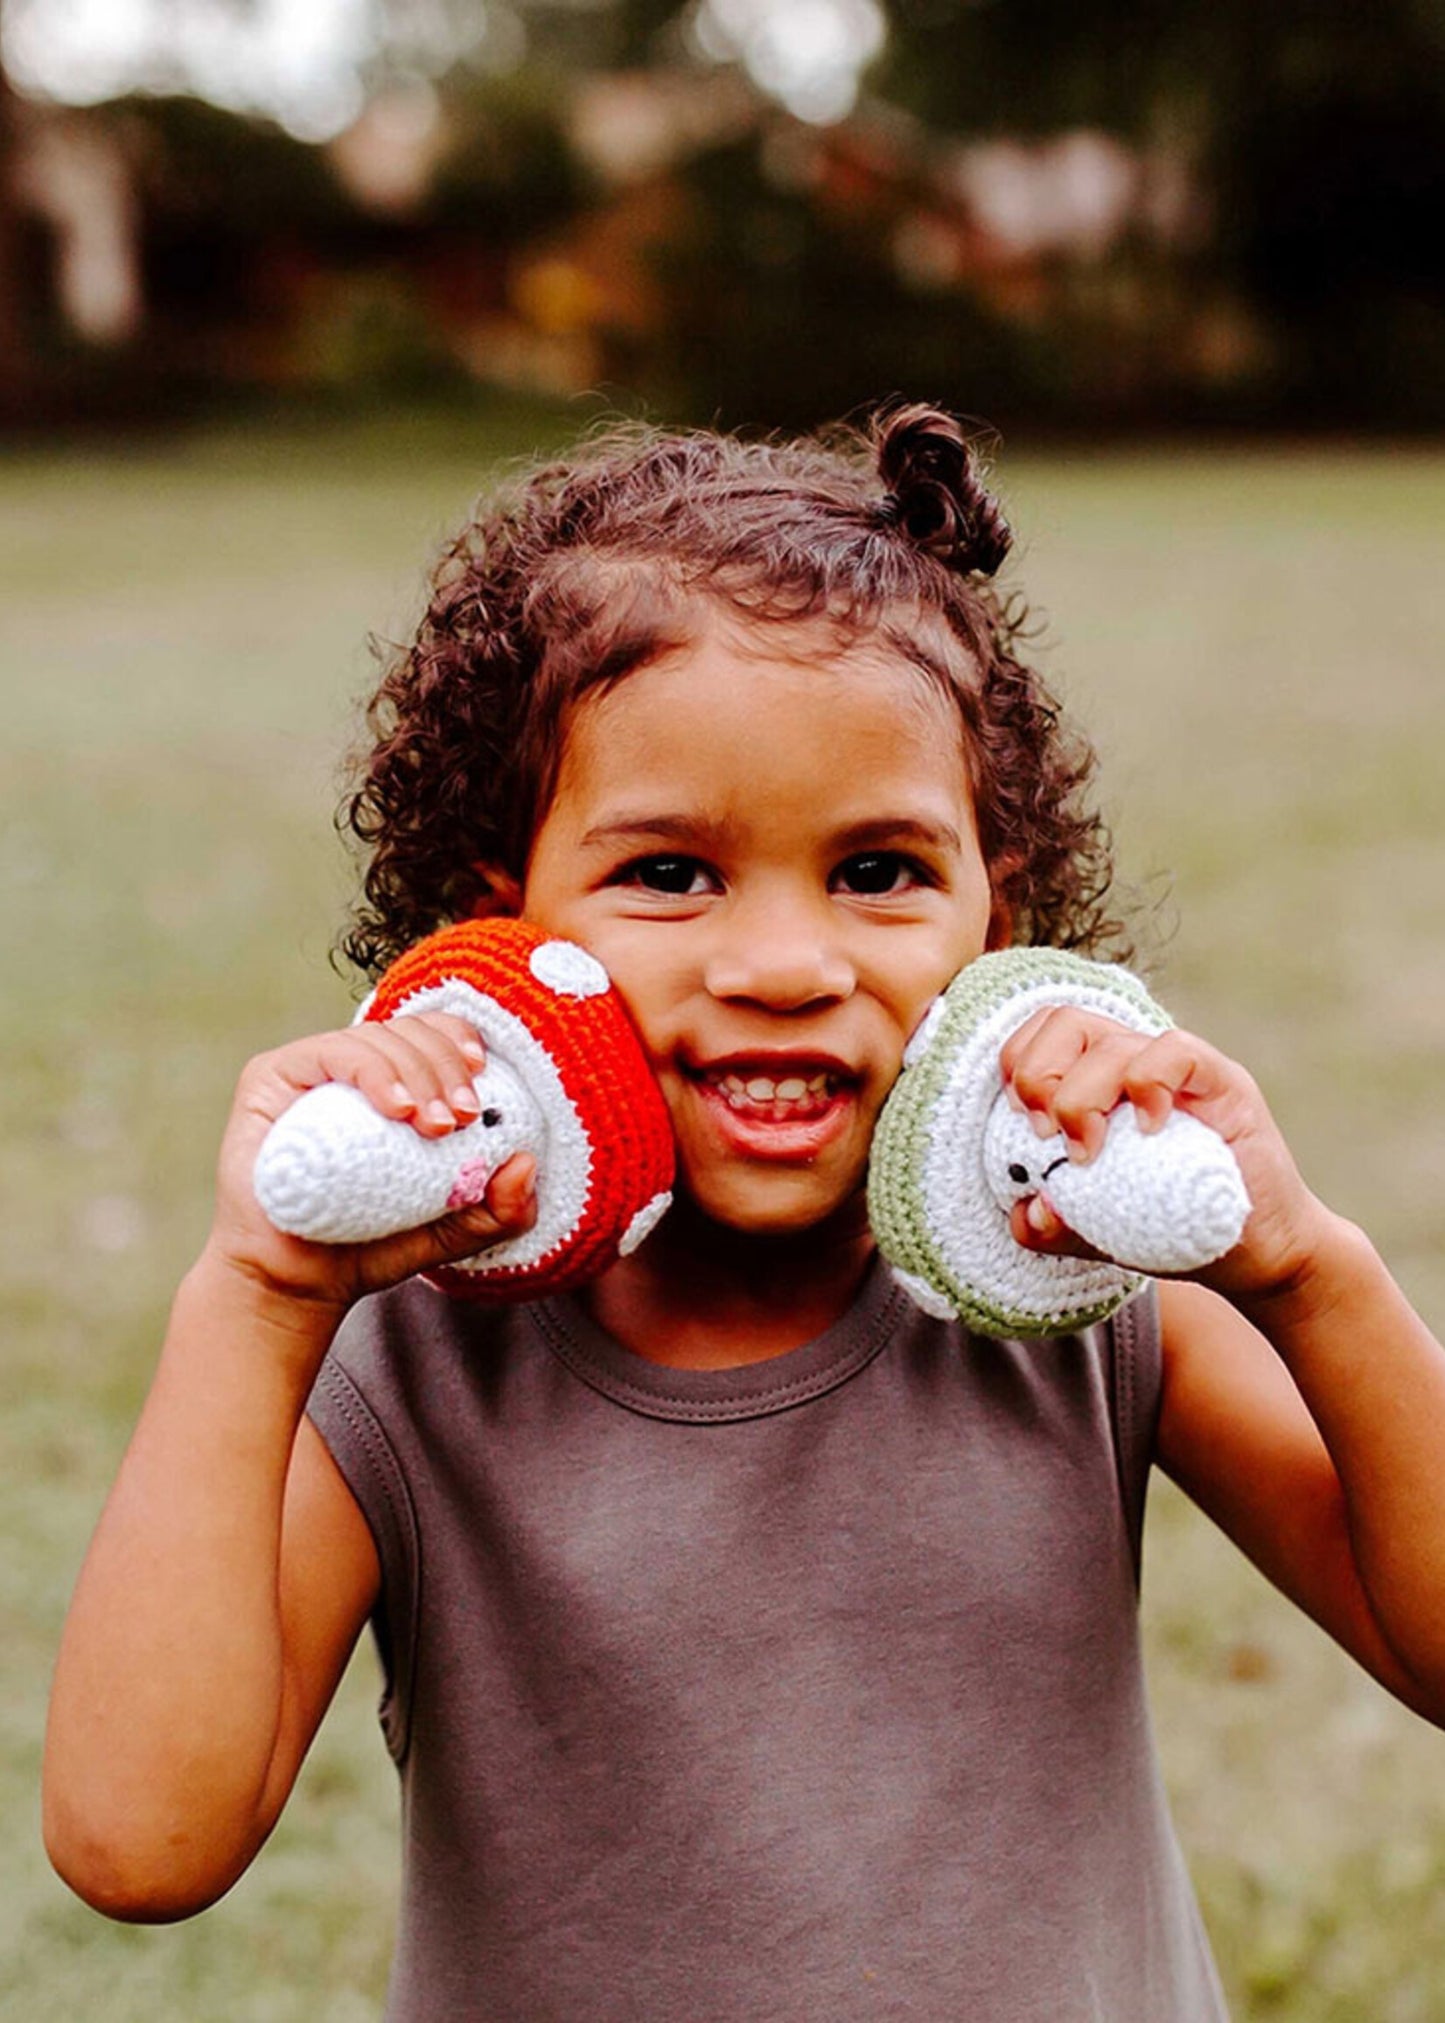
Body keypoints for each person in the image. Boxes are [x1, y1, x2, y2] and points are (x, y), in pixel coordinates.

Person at [43, 405, 1445, 2021]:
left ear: (1000, 904)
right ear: (504, 930)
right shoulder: (404, 1357)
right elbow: (138, 1847)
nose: (784, 966)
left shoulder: (1091, 1289)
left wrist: (1307, 1273)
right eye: (670, 875)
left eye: (875, 873)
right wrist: (258, 1299)